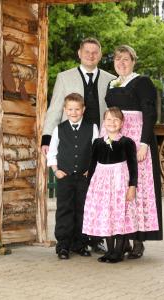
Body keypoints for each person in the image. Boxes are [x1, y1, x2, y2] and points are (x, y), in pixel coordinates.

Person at [42, 37, 115, 253]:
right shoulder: (65, 77)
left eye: (95, 52)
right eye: (87, 51)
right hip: (71, 145)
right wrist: (47, 137)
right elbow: (55, 107)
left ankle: (94, 239)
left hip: (101, 144)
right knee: (71, 200)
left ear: (100, 55)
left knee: (98, 196)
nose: (91, 55)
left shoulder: (111, 79)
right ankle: (69, 241)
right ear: (79, 53)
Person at [104, 45, 163, 259]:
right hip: (116, 139)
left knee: (138, 188)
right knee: (119, 189)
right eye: (117, 59)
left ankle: (138, 240)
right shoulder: (111, 84)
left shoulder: (143, 82)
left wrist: (144, 143)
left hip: (137, 139)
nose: (121, 63)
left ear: (133, 61)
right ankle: (124, 239)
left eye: (126, 59)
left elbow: (150, 113)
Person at [47, 93, 99, 260]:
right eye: (70, 109)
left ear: (83, 109)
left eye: (77, 109)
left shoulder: (92, 128)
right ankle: (63, 245)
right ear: (65, 110)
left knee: (83, 210)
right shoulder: (59, 129)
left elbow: (97, 152)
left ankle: (81, 244)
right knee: (64, 210)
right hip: (65, 176)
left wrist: (90, 170)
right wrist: (56, 170)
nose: (74, 112)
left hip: (84, 177)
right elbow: (52, 152)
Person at [82, 107, 138, 263]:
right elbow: (92, 165)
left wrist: (132, 187)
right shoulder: (98, 142)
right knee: (107, 216)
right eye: (108, 119)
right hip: (102, 186)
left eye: (116, 120)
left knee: (119, 215)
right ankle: (110, 251)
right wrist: (89, 188)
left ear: (121, 123)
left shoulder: (127, 142)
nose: (112, 123)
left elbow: (133, 167)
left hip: (119, 185)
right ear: (103, 122)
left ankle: (118, 252)